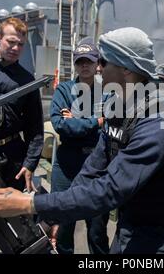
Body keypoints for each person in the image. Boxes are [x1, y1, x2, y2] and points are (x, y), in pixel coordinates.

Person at [0, 27, 164, 254]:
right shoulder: (119, 106)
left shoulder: (159, 118)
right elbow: (91, 171)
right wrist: (51, 217)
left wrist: (29, 204)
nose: (98, 67)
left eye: (104, 61)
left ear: (126, 70)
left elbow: (112, 187)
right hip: (132, 221)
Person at [48, 39, 109, 254]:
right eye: (80, 61)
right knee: (63, 225)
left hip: (98, 164)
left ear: (97, 64)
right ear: (75, 64)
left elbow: (113, 123)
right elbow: (60, 125)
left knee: (97, 228)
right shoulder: (64, 90)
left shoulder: (109, 91)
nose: (84, 66)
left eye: (89, 61)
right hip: (67, 165)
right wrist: (95, 121)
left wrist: (77, 120)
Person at [0, 17, 44, 192]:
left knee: (17, 211)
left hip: (14, 156)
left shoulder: (27, 80)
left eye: (21, 44)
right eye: (11, 42)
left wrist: (30, 164)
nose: (15, 48)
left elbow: (34, 126)